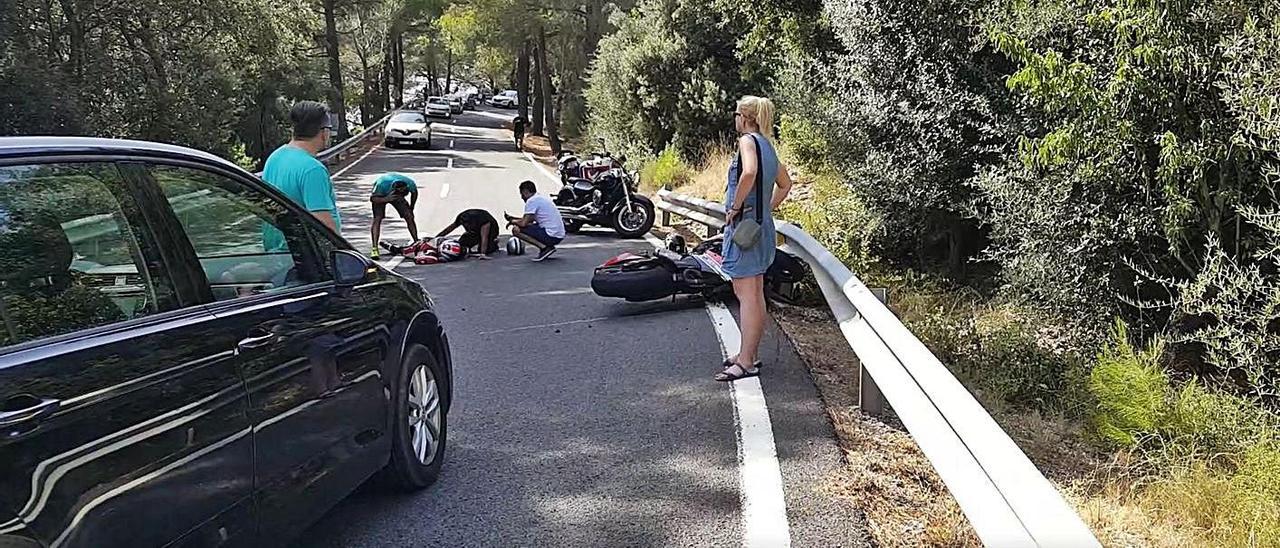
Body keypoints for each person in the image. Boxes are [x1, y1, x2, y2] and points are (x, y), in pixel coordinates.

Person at [714, 95, 794, 383]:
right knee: (755, 294)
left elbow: (749, 172)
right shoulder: (768, 146)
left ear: (745, 117)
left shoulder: (747, 141)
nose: (734, 119)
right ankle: (749, 354)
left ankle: (745, 361)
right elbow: (785, 185)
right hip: (761, 229)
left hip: (745, 229)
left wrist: (736, 207)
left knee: (746, 295)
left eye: (736, 114)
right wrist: (764, 211)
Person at [262, 101, 341, 240]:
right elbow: (323, 224)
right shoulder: (313, 169)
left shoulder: (275, 157)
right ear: (324, 132)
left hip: (277, 252)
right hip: (305, 256)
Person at [505, 180, 565, 262]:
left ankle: (544, 248)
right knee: (526, 226)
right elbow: (530, 220)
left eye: (522, 194)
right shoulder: (540, 198)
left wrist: (513, 222)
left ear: (525, 192)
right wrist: (513, 218)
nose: (522, 197)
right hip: (558, 234)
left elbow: (523, 223)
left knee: (516, 230)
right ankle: (546, 247)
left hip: (551, 235)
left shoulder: (531, 201)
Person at [369, 172, 419, 259]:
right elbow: (372, 199)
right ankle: (374, 248)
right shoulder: (381, 184)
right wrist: (386, 199)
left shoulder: (410, 183)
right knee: (377, 218)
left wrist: (411, 207)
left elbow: (414, 194)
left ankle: (416, 242)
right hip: (381, 195)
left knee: (409, 216)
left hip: (394, 194)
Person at [435, 208, 500, 259]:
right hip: (474, 232)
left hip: (491, 230)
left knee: (486, 249)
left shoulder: (483, 221)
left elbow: (484, 237)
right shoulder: (461, 217)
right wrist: (436, 237)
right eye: (464, 224)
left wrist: (483, 253)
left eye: (468, 224)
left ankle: (494, 241)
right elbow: (450, 228)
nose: (466, 225)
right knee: (462, 243)